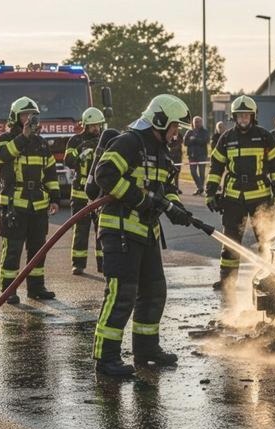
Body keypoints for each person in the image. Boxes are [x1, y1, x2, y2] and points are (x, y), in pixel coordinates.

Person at [92, 94, 194, 377]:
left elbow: (166, 189)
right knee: (121, 294)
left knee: (154, 291)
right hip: (120, 229)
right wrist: (142, 199)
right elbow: (105, 175)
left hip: (146, 232)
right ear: (160, 120)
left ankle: (146, 349)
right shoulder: (129, 143)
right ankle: (106, 358)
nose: (176, 134)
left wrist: (176, 208)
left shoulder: (161, 152)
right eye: (174, 127)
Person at [205, 95, 275, 291]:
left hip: (260, 197)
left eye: (246, 115)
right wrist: (210, 193)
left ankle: (270, 279)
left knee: (266, 240)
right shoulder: (226, 138)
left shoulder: (264, 136)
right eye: (240, 115)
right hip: (233, 198)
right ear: (234, 117)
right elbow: (216, 167)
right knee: (230, 241)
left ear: (253, 116)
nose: (243, 119)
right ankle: (227, 280)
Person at [0, 97, 60, 305]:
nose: (30, 118)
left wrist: (55, 198)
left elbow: (50, 173)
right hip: (14, 205)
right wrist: (23, 136)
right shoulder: (6, 139)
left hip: (38, 205)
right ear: (16, 118)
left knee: (38, 250)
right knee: (12, 250)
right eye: (25, 115)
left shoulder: (41, 143)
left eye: (33, 115)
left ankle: (36, 288)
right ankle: (8, 290)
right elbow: (4, 155)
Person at [65, 107, 105, 276]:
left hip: (99, 194)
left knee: (102, 230)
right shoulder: (75, 140)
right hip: (80, 194)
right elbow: (68, 160)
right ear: (86, 125)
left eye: (98, 125)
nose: (96, 128)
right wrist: (81, 152)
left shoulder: (104, 140)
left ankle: (103, 264)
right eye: (93, 125)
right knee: (80, 231)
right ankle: (78, 264)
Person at [184, 116, 210, 195]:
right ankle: (200, 187)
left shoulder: (204, 131)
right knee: (193, 172)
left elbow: (205, 140)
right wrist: (191, 140)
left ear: (201, 122)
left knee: (202, 173)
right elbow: (185, 142)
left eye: (198, 122)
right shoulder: (189, 131)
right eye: (195, 122)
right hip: (192, 155)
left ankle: (200, 189)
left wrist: (195, 139)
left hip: (202, 155)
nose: (196, 123)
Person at [166, 129, 184, 194]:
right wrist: (173, 145)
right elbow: (168, 144)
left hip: (178, 156)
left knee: (177, 172)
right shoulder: (168, 134)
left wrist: (177, 143)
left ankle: (176, 187)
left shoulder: (179, 135)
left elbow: (181, 142)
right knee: (169, 172)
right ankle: (168, 187)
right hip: (170, 155)